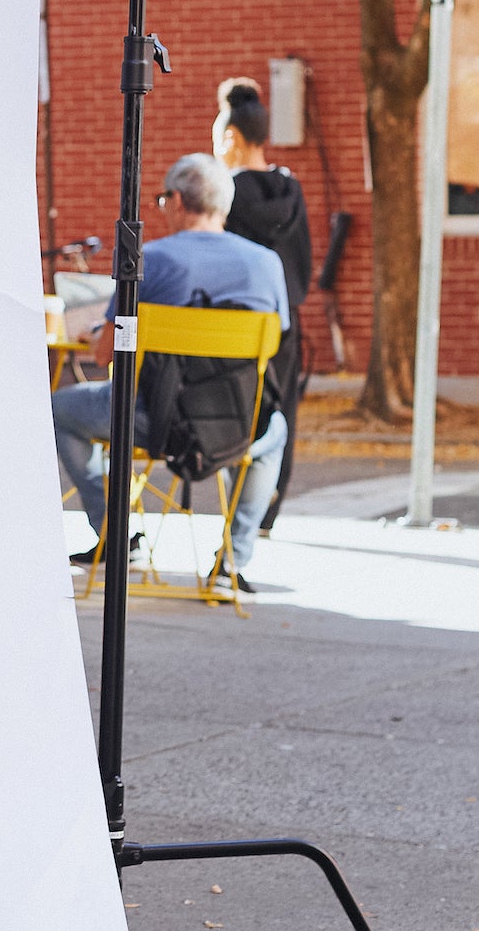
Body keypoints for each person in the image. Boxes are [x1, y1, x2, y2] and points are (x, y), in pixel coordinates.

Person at [51, 151, 290, 592]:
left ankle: (116, 535)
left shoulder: (151, 259)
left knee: (57, 409)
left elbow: (108, 351)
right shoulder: (266, 263)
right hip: (237, 424)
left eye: (163, 200)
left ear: (178, 200)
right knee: (275, 433)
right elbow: (274, 340)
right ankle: (231, 564)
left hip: (150, 419)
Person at [214, 77, 315, 521]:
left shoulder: (224, 195)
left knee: (238, 411)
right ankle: (266, 511)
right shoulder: (291, 191)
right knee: (282, 413)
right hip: (286, 319)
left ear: (231, 136)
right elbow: (306, 262)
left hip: (236, 323)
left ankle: (239, 513)